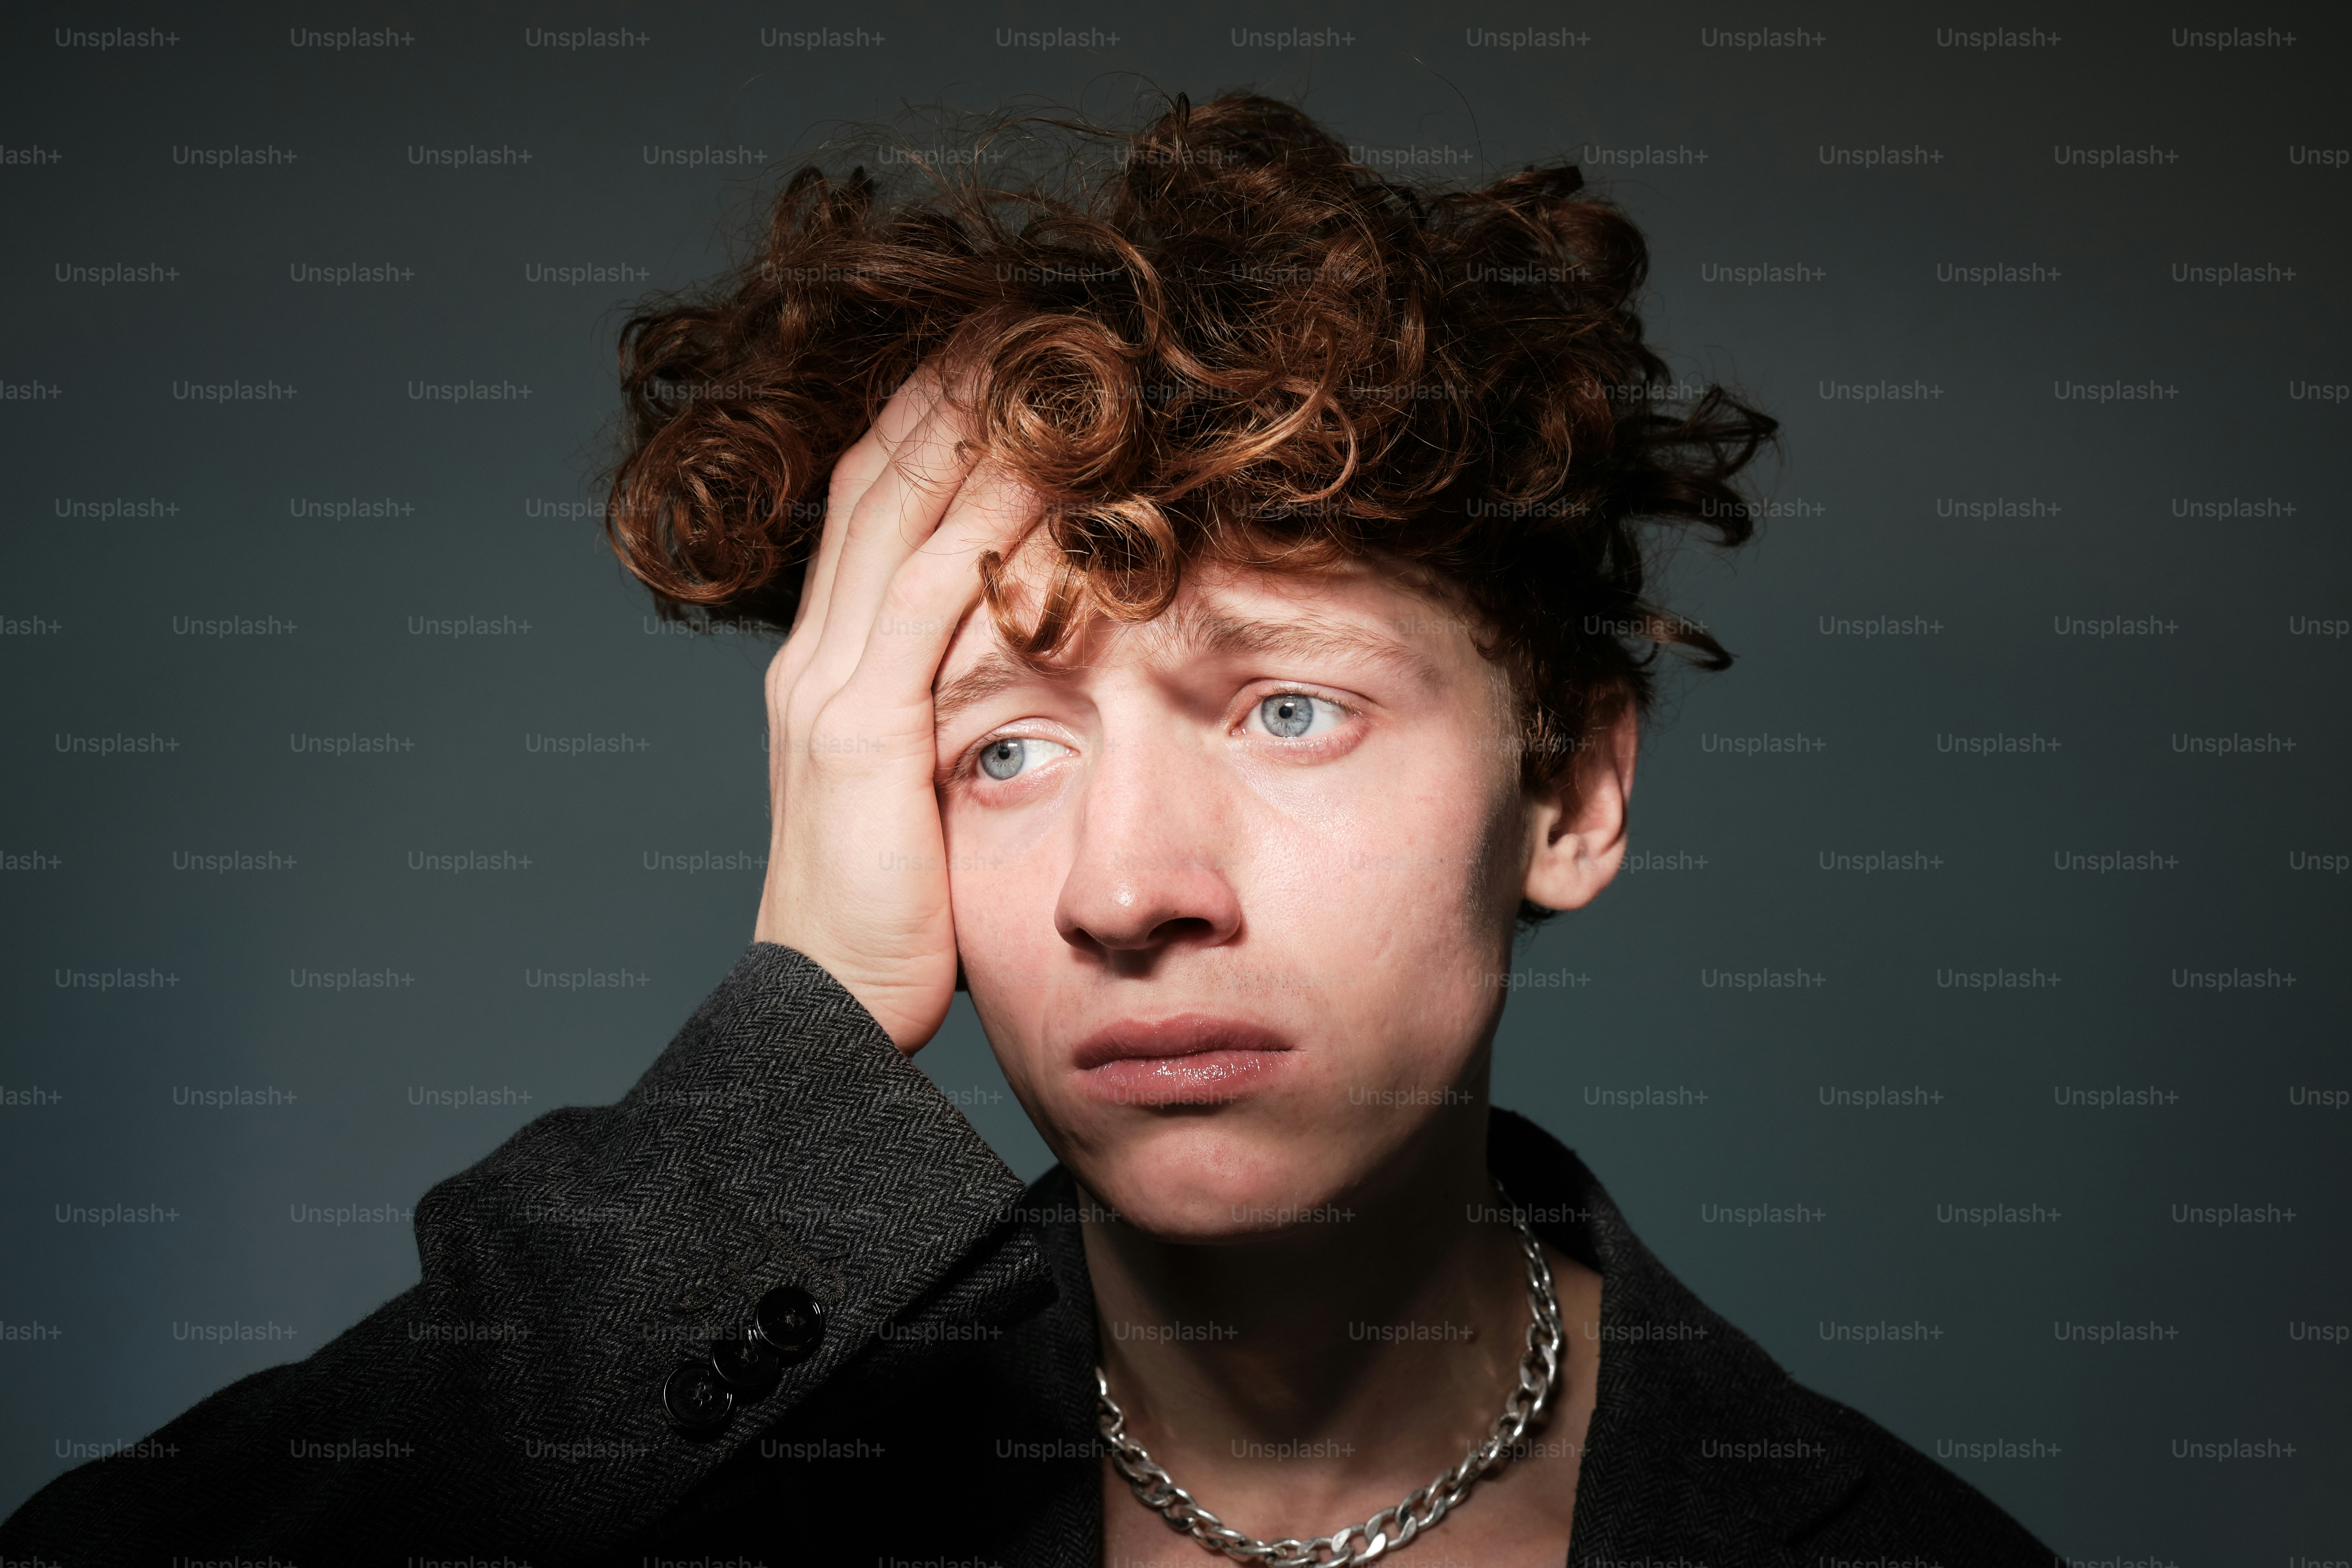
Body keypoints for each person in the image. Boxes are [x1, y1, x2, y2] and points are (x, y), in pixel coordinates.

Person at [0, 93, 2050, 1566]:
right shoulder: (701, 1478)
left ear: (1574, 787)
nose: (1129, 891)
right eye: (1003, 750)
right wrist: (793, 1047)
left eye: (1288, 706)